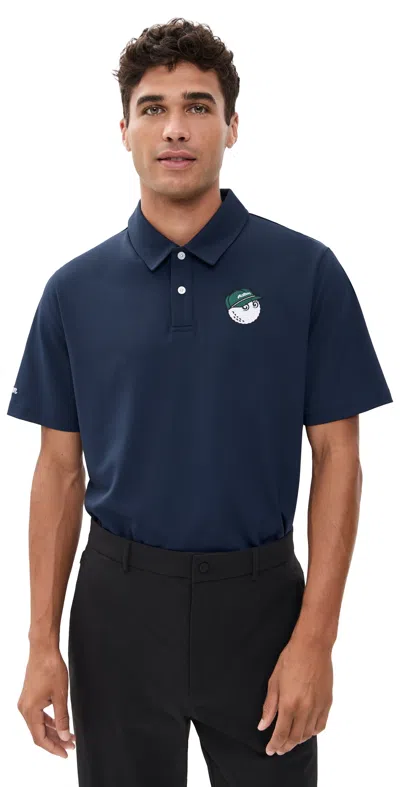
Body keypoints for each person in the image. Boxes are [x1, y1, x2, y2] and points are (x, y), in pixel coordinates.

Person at [7, 16, 393, 787]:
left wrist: (316, 639)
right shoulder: (73, 290)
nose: (175, 128)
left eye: (198, 106)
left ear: (232, 126)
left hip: (261, 609)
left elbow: (339, 457)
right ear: (123, 130)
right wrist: (42, 640)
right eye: (153, 108)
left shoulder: (307, 272)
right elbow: (58, 469)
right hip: (117, 610)